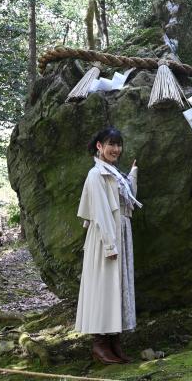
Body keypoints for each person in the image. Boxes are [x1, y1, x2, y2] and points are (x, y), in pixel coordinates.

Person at [75, 127, 142, 364]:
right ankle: (99, 344)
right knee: (104, 287)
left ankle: (114, 342)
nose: (115, 149)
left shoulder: (114, 172)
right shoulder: (96, 175)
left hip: (121, 232)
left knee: (118, 287)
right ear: (99, 146)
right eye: (110, 144)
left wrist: (132, 174)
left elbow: (129, 202)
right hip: (106, 237)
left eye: (118, 144)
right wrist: (109, 245)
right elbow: (102, 213)